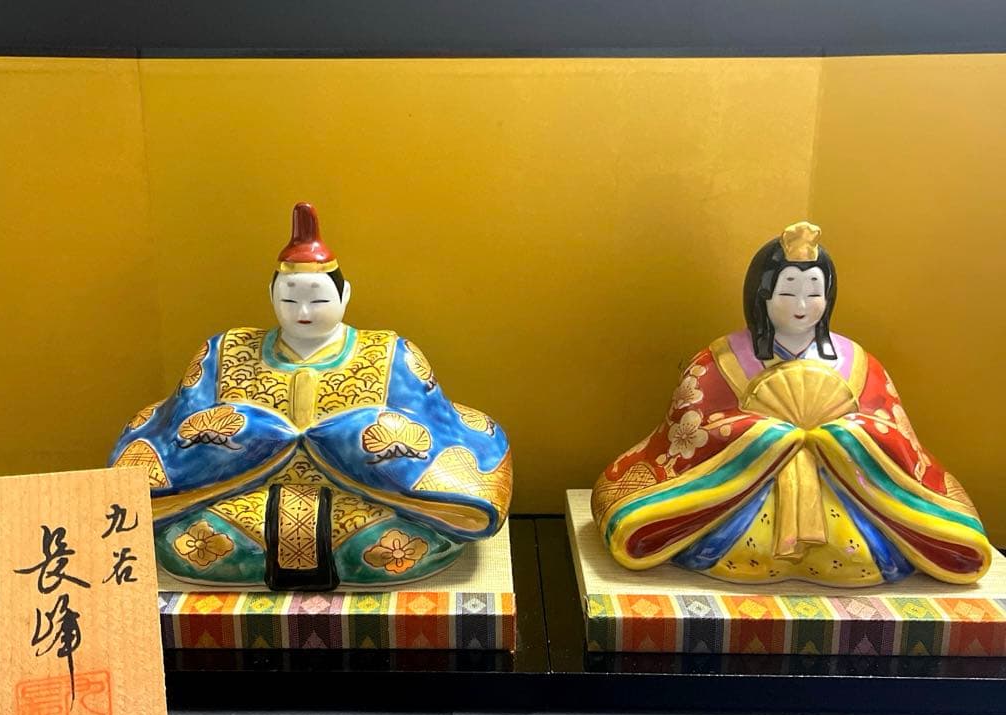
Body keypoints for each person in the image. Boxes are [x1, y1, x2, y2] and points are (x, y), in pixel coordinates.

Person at [111, 202, 511, 589]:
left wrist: (354, 441)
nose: (303, 312)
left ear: (345, 295)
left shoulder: (392, 354)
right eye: (289, 300)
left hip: (367, 508)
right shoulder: (223, 351)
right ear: (271, 295)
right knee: (190, 539)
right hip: (236, 506)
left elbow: (437, 431)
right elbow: (175, 432)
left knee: (399, 541)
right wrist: (249, 438)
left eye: (318, 300)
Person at [592, 222, 991, 586]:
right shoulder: (720, 360)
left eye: (814, 292)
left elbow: (895, 433)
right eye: (787, 292)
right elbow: (687, 429)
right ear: (762, 294)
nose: (802, 304)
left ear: (828, 296)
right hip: (740, 499)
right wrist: (767, 437)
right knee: (735, 547)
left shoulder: (856, 361)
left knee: (859, 549)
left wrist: (843, 438)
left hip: (849, 494)